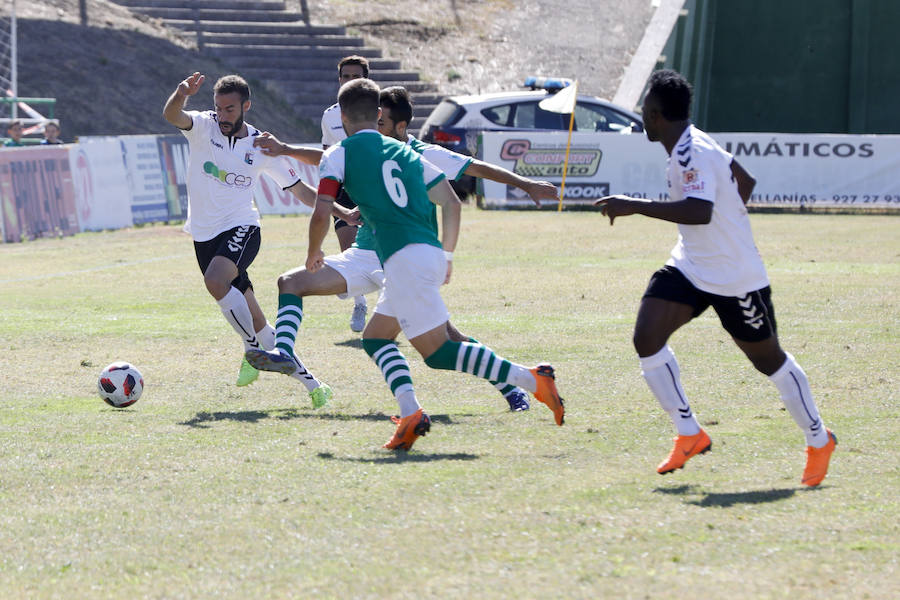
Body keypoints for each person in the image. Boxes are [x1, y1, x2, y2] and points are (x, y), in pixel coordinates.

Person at [246, 86, 561, 413]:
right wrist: (286, 150)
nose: (376, 128)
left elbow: (476, 168)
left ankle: (510, 386)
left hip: (402, 258)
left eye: (382, 123)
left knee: (444, 338)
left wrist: (526, 184)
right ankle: (285, 353)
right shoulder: (358, 149)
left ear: (396, 125)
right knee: (292, 283)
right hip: (366, 254)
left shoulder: (419, 153)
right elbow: (329, 158)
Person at [594, 69, 836, 486]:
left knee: (768, 360)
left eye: (645, 112)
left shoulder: (693, 152)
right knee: (647, 337)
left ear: (655, 116)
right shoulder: (693, 143)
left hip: (733, 275)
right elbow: (745, 180)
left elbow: (699, 211)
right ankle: (689, 433)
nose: (643, 118)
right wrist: (729, 219)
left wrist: (634, 204)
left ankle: (819, 439)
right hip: (691, 265)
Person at [162, 71, 346, 407]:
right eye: (219, 108)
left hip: (242, 228)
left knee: (215, 281)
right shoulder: (203, 126)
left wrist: (343, 212)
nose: (222, 116)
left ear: (246, 106)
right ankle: (315, 386)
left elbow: (302, 191)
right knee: (257, 319)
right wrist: (181, 93)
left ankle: (250, 351)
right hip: (204, 235)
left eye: (230, 109)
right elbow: (172, 115)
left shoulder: (262, 146)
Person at [321, 55, 371, 332]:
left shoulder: (380, 110)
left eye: (356, 77)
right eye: (346, 77)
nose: (350, 81)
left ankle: (395, 304)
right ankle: (360, 302)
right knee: (348, 247)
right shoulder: (330, 115)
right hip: (344, 187)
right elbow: (326, 153)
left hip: (375, 184)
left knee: (385, 248)